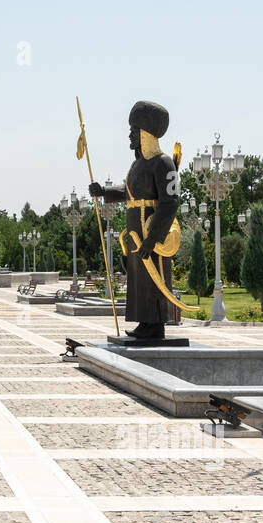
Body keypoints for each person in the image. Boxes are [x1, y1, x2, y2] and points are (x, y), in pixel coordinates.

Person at [87, 101, 182, 342]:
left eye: (134, 130)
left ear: (147, 133)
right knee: (139, 279)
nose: (130, 135)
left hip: (152, 232)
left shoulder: (163, 163)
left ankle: (156, 325)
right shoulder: (137, 165)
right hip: (134, 231)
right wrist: (104, 191)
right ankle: (145, 322)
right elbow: (128, 192)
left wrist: (154, 237)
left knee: (154, 276)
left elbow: (170, 202)